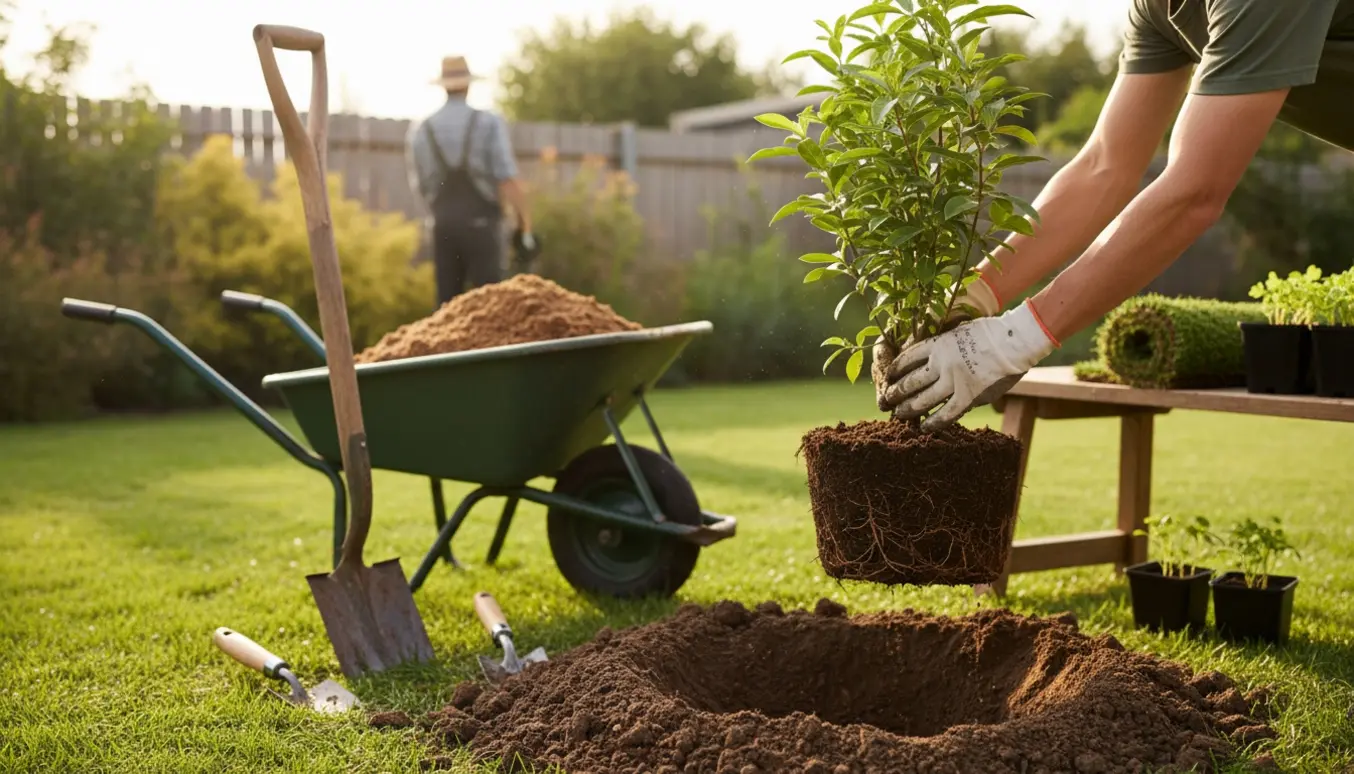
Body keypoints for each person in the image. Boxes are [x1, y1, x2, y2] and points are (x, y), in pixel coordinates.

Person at [874, 0, 1354, 430]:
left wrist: (1014, 340)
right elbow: (1104, 168)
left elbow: (1195, 190)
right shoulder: (1158, 8)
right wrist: (973, 294)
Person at [407, 55, 535, 305]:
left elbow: (421, 186)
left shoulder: (422, 130)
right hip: (482, 226)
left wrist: (443, 216)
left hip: (443, 226)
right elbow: (506, 177)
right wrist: (525, 226)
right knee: (491, 305)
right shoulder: (489, 123)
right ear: (468, 85)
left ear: (443, 86)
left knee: (447, 308)